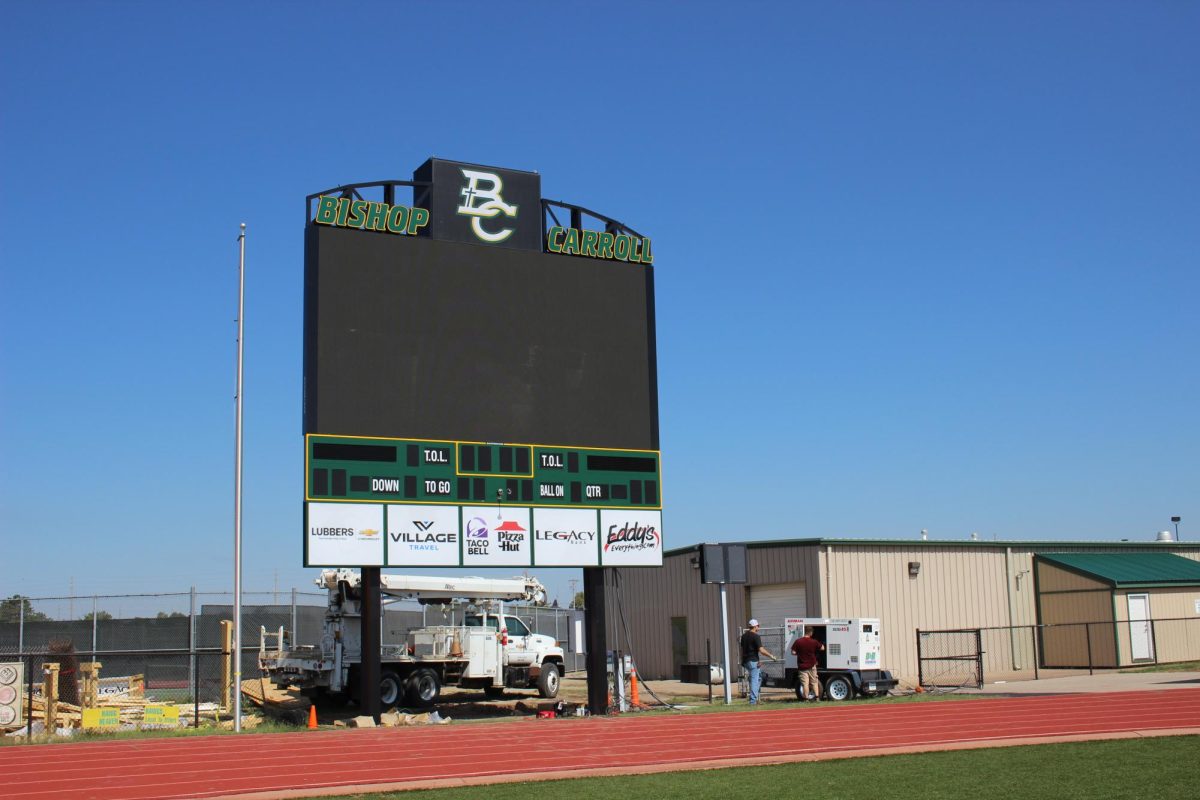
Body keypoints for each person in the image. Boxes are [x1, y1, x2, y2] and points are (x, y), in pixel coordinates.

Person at [739, 619, 776, 705]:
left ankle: (755, 697)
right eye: (758, 626)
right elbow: (761, 650)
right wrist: (771, 656)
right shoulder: (756, 636)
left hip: (746, 661)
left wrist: (742, 660)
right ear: (755, 626)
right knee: (755, 680)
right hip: (753, 661)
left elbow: (742, 649)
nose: (758, 627)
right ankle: (753, 701)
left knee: (759, 677)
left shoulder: (744, 636)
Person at [790, 626, 825, 701]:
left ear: (804, 631)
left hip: (802, 666)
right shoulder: (814, 641)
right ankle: (817, 698)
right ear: (811, 633)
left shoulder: (798, 641)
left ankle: (806, 699)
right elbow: (822, 648)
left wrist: (800, 653)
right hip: (812, 665)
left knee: (805, 683)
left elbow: (793, 652)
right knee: (814, 682)